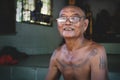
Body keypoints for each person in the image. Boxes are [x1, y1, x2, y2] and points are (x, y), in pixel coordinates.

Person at [45, 5, 109, 80]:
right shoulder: (57, 55)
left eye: (74, 18)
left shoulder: (95, 52)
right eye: (63, 18)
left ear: (85, 24)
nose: (67, 23)